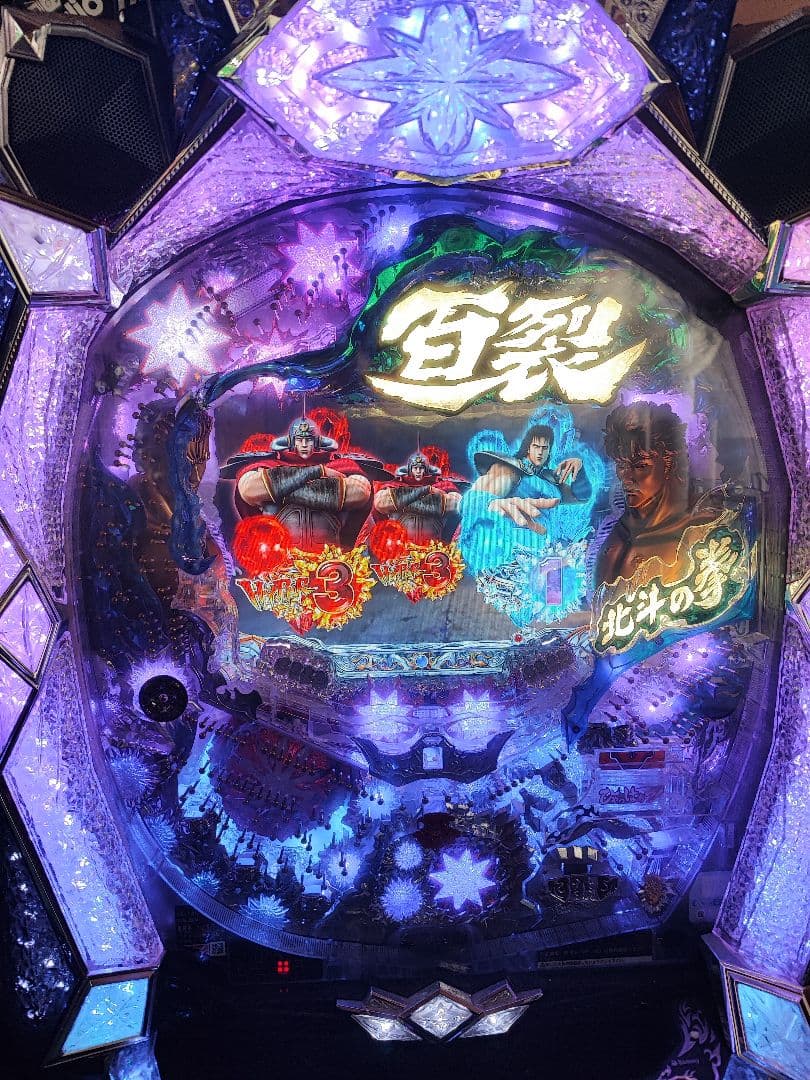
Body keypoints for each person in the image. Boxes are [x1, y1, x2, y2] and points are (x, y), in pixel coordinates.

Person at [596, 401, 719, 586]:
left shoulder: (700, 530)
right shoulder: (620, 529)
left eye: (640, 466)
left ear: (670, 463)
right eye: (621, 466)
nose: (627, 478)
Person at [459, 417, 596, 576]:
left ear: (549, 450)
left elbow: (581, 497)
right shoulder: (510, 467)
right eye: (536, 446)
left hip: (546, 558)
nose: (540, 452)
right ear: (527, 447)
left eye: (545, 448)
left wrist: (579, 470)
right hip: (511, 557)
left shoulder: (550, 478)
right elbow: (476, 497)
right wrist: (487, 504)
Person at [227, 415, 374, 552]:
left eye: (309, 440)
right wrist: (317, 472)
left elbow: (360, 492)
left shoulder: (340, 466)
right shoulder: (269, 464)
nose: (304, 444)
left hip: (327, 558)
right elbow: (248, 489)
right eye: (299, 439)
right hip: (280, 557)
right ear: (291, 441)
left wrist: (279, 491)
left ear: (317, 441)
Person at [372, 451, 462, 545]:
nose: (418, 471)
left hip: (435, 547)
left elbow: (457, 504)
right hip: (399, 546)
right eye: (415, 468)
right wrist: (426, 491)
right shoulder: (394, 485)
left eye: (421, 468)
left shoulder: (443, 485)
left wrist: (403, 502)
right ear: (409, 469)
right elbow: (380, 503)